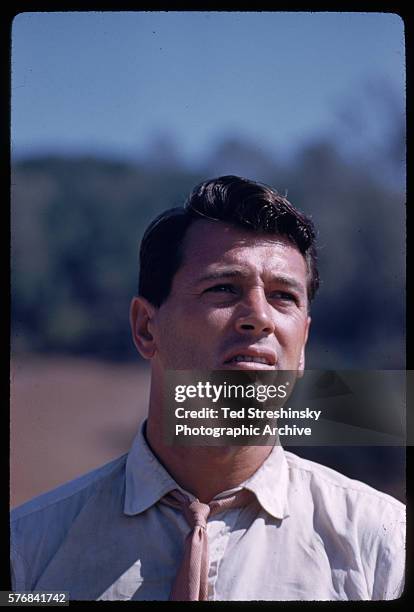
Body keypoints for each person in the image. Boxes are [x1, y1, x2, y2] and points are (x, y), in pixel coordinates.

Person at [10, 175, 405, 601]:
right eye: (223, 288)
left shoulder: (382, 547)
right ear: (146, 328)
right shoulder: (27, 551)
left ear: (304, 342)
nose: (260, 317)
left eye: (283, 296)